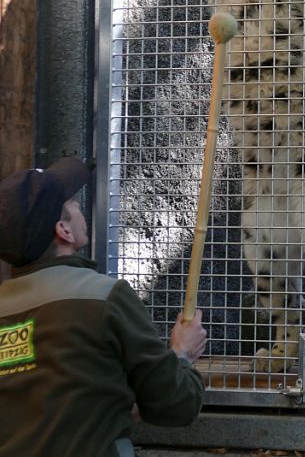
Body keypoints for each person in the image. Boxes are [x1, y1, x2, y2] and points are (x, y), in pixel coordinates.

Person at [0, 158, 208, 457]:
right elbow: (176, 405)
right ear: (64, 231)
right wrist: (182, 353)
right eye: (71, 203)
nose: (78, 207)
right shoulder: (103, 297)